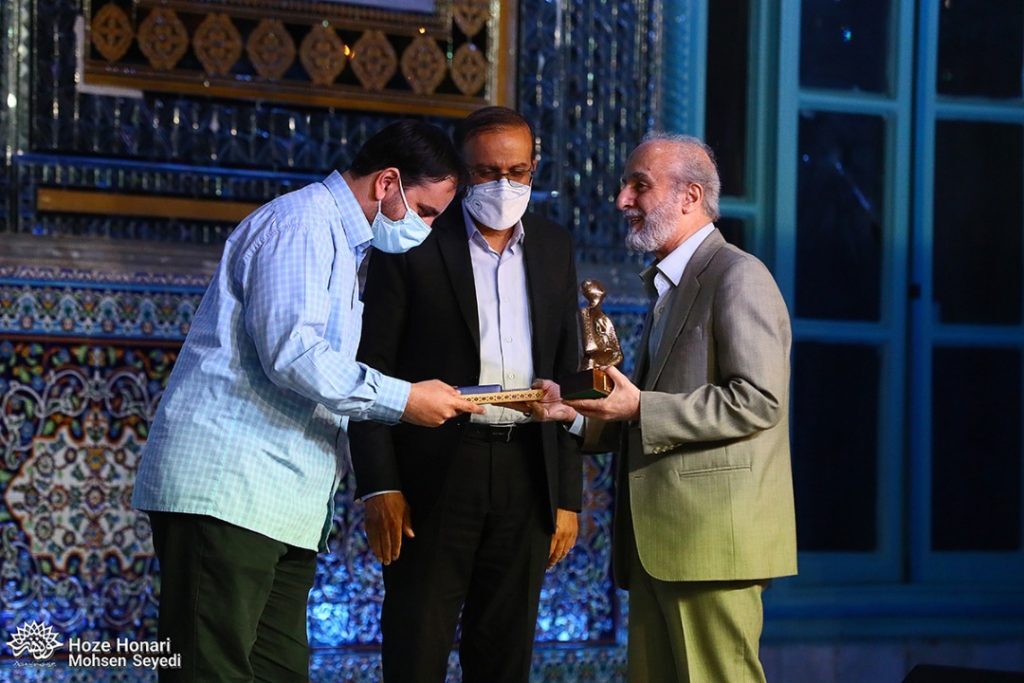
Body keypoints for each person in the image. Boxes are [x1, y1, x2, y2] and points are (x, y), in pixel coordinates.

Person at [132, 120, 484, 683]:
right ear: (387, 182)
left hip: (280, 501)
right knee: (210, 670)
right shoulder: (301, 225)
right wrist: (403, 400)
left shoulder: (346, 243)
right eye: (424, 211)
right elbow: (293, 354)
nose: (425, 229)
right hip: (229, 488)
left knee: (280, 670)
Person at [530, 133, 797, 683]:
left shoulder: (738, 275)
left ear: (689, 196)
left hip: (710, 544)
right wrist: (572, 414)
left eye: (639, 186)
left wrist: (639, 408)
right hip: (660, 544)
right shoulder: (670, 285)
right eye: (625, 185)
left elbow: (759, 400)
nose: (622, 200)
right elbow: (646, 410)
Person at [347, 107, 583, 683]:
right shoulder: (415, 237)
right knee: (416, 651)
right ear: (461, 170)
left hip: (527, 472)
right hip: (434, 475)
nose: (504, 185)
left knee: (504, 658)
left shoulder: (554, 246)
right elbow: (370, 367)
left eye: (517, 172)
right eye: (486, 172)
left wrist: (567, 496)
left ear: (534, 169)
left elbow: (567, 373)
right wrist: (380, 484)